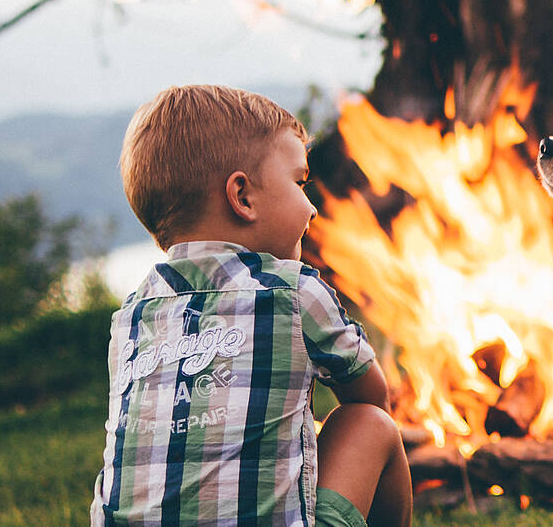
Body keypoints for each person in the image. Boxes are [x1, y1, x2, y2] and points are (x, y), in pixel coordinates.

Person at [91, 85, 411, 527]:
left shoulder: (130, 316)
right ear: (242, 196)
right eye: (300, 183)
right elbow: (372, 395)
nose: (311, 208)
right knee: (370, 425)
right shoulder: (293, 291)